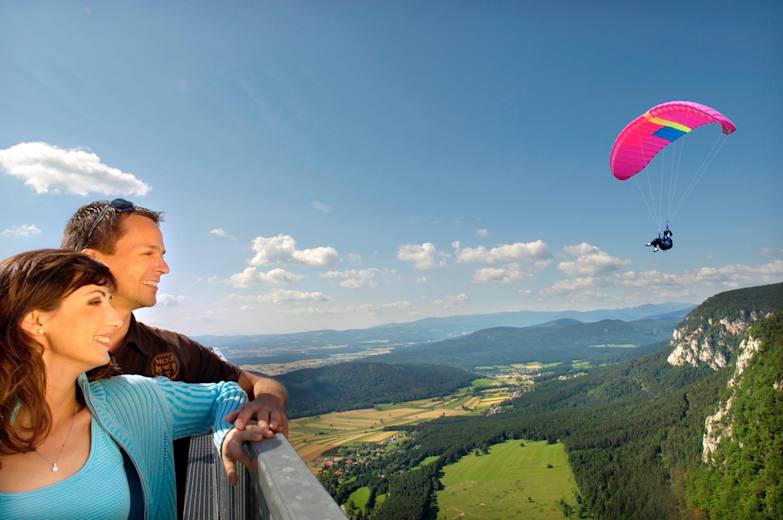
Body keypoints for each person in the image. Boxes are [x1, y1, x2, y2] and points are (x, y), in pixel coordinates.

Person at [60, 199, 288, 513]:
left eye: (163, 255)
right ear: (93, 261)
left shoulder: (168, 353)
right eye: (147, 253)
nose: (164, 268)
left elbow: (246, 386)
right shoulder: (25, 363)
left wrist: (266, 403)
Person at [0, 249, 265, 519]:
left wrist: (226, 433)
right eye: (95, 301)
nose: (115, 319)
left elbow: (224, 393)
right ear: (36, 321)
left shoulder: (133, 399)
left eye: (109, 301)